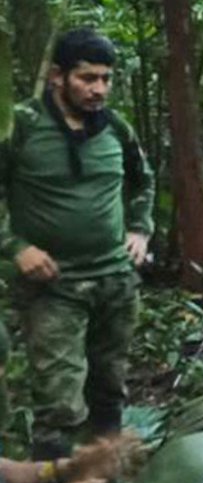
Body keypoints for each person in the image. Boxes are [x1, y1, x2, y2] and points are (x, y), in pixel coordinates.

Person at [0, 28, 155, 460]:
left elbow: (143, 181)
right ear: (57, 76)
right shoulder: (21, 127)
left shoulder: (115, 129)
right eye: (87, 78)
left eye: (105, 78)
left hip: (114, 281)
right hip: (54, 287)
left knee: (109, 391)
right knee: (60, 407)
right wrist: (16, 248)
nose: (99, 89)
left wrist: (140, 229)